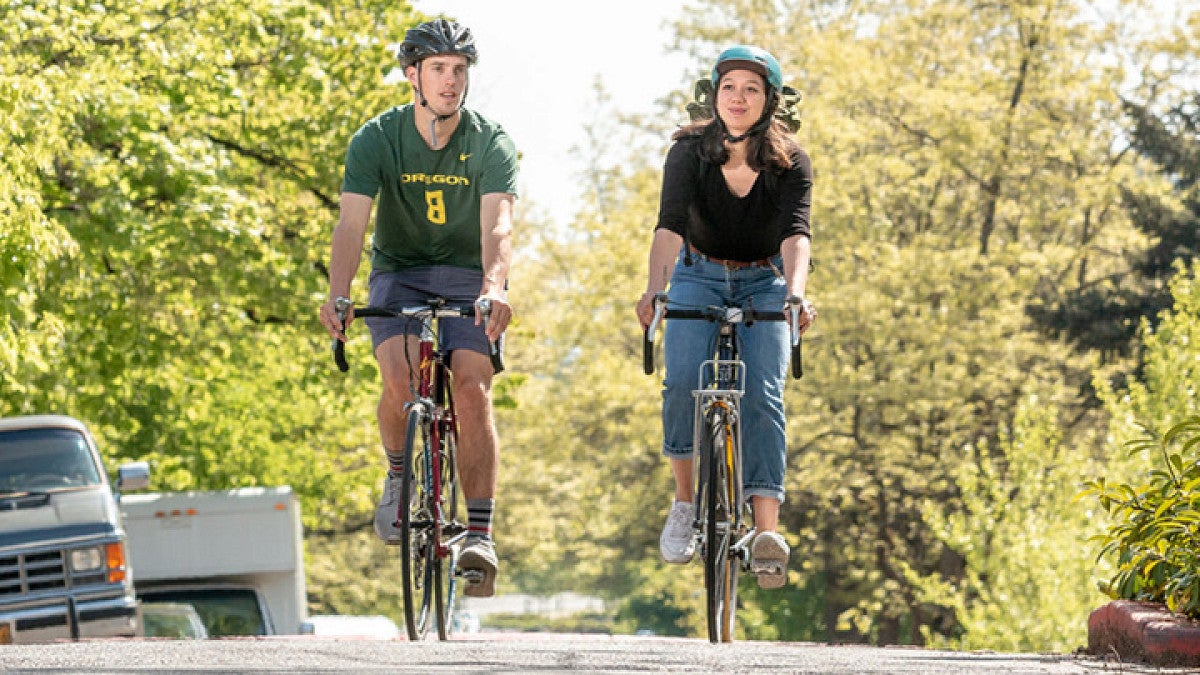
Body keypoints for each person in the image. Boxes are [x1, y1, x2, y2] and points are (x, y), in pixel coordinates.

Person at [318, 18, 518, 598]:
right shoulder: (376, 138)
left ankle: (479, 534)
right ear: (413, 76)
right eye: (438, 70)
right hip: (399, 273)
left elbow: (499, 225)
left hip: (467, 277)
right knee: (402, 379)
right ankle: (399, 471)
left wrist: (494, 287)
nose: (451, 81)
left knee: (472, 384)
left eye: (459, 71)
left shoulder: (490, 140)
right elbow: (352, 222)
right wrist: (338, 289)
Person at [635, 45, 816, 590]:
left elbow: (795, 234)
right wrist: (654, 289)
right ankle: (685, 503)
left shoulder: (792, 162)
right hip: (697, 272)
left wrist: (797, 294)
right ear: (715, 95)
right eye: (729, 87)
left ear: (769, 102)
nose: (738, 98)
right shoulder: (689, 151)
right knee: (683, 382)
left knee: (764, 393)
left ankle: (766, 534)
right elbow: (669, 225)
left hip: (765, 280)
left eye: (751, 89)